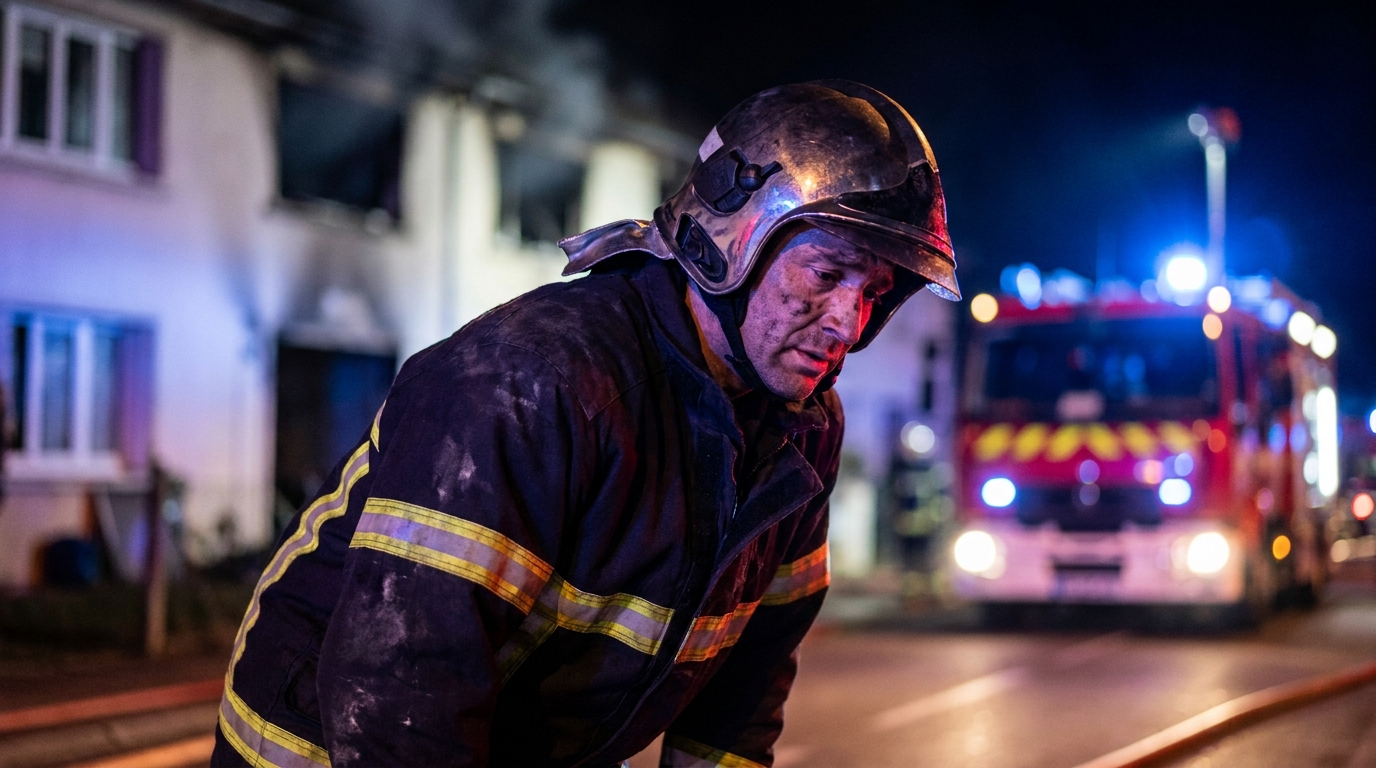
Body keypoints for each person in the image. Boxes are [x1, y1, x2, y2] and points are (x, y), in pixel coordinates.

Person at [213, 80, 960, 768]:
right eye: (827, 273)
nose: (846, 322)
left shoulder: (803, 434)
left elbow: (744, 694)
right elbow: (404, 690)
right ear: (731, 239)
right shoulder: (529, 382)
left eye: (875, 292)